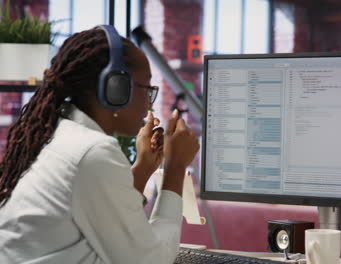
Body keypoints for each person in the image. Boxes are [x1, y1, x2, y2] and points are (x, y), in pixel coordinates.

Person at [0, 26, 199, 264]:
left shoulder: (60, 135)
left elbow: (103, 219)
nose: (149, 103)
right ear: (115, 88)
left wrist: (144, 167)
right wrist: (176, 167)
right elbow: (150, 260)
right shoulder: (92, 151)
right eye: (146, 89)